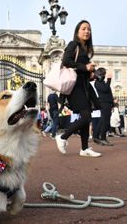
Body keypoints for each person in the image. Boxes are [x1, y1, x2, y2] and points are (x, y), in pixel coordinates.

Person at [54, 20, 101, 157]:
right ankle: (62, 137)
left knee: (86, 116)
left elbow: (82, 69)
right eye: (84, 29)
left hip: (84, 86)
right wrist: (84, 67)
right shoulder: (73, 44)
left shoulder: (85, 49)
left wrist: (90, 73)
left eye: (89, 29)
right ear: (77, 31)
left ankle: (85, 148)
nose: (87, 31)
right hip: (74, 87)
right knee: (86, 116)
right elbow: (66, 61)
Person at [93, 67, 113, 146]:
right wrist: (109, 80)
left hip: (107, 103)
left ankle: (96, 136)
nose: (105, 76)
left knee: (102, 121)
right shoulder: (98, 83)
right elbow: (105, 89)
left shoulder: (101, 82)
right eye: (104, 74)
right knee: (105, 121)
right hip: (104, 103)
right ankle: (103, 138)